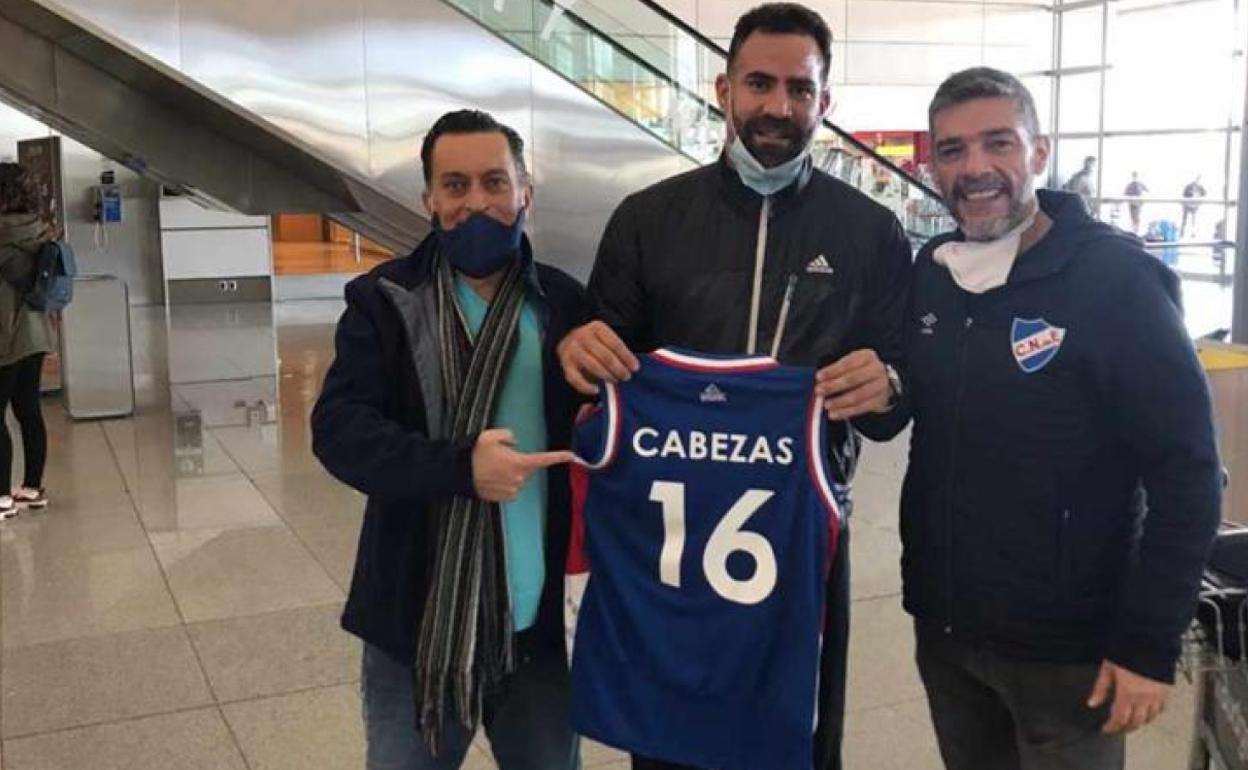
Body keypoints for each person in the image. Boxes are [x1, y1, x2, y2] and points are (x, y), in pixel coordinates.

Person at [557, 4, 912, 769]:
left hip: (801, 536)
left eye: (799, 89)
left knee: (795, 737)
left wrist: (888, 385)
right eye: (759, 83)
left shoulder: (870, 232)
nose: (778, 107)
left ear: (825, 103)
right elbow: (595, 369)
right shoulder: (648, 219)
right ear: (723, 89)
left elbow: (897, 400)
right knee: (668, 738)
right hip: (666, 548)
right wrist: (577, 352)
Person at [902, 67, 1222, 770]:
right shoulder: (932, 269)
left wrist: (1147, 645)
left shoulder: (1116, 281)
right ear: (932, 163)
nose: (975, 168)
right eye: (952, 151)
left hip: (1070, 653)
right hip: (948, 632)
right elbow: (916, 410)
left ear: (1039, 153)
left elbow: (1190, 477)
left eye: (998, 143)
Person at [311, 109, 587, 770]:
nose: (477, 203)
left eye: (495, 182)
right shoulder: (384, 300)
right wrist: (460, 468)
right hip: (416, 623)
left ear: (526, 192)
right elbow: (340, 430)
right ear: (429, 199)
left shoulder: (568, 306)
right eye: (455, 186)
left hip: (538, 625)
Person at [0, 162, 53, 518]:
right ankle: (31, 488)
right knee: (28, 410)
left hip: (4, 335)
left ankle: (1, 496)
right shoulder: (39, 230)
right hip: (35, 331)